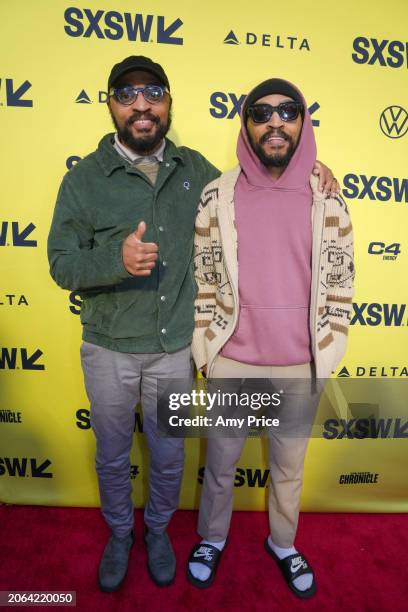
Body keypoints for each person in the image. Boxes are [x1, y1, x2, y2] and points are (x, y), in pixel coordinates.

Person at [47, 56, 338, 593]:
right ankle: (119, 535)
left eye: (153, 93)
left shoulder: (200, 174)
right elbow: (61, 263)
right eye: (127, 94)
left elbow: (264, 172)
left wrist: (315, 169)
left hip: (174, 350)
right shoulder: (84, 180)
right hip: (109, 347)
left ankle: (158, 533)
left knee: (169, 456)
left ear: (168, 103)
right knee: (112, 454)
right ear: (110, 104)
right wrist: (116, 259)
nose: (141, 105)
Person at [188, 78, 354, 598]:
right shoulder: (217, 194)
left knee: (288, 470)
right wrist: (206, 352)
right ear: (247, 124)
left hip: (299, 366)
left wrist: (328, 351)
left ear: (303, 122)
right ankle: (212, 538)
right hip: (232, 361)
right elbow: (204, 276)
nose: (275, 122)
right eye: (262, 112)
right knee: (219, 467)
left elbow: (341, 279)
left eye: (288, 111)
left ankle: (283, 543)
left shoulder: (328, 195)